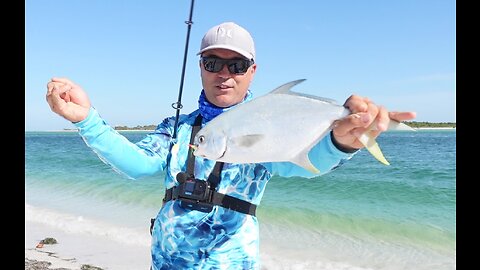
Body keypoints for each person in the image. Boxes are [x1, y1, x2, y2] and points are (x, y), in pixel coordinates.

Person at [45, 21, 416, 270]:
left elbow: (299, 162)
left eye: (237, 65)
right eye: (213, 62)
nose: (224, 74)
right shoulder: (179, 128)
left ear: (252, 71)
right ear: (201, 67)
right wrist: (87, 119)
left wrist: (341, 141)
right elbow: (138, 164)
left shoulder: (269, 123)